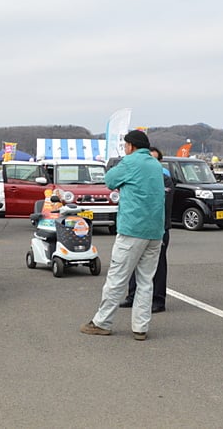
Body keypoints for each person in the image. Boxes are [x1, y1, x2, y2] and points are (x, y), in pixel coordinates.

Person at [80, 130, 164, 341]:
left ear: (131, 146)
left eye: (126, 145)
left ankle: (102, 322)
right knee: (146, 281)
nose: (125, 148)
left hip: (132, 229)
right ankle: (140, 327)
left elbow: (109, 180)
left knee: (117, 277)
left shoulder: (130, 162)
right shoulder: (155, 164)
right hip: (155, 231)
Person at [120, 146, 173, 313]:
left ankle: (158, 300)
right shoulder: (139, 178)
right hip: (138, 228)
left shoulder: (165, 179)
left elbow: (164, 206)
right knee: (133, 262)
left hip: (159, 229)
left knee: (158, 265)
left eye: (155, 159)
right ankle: (132, 295)